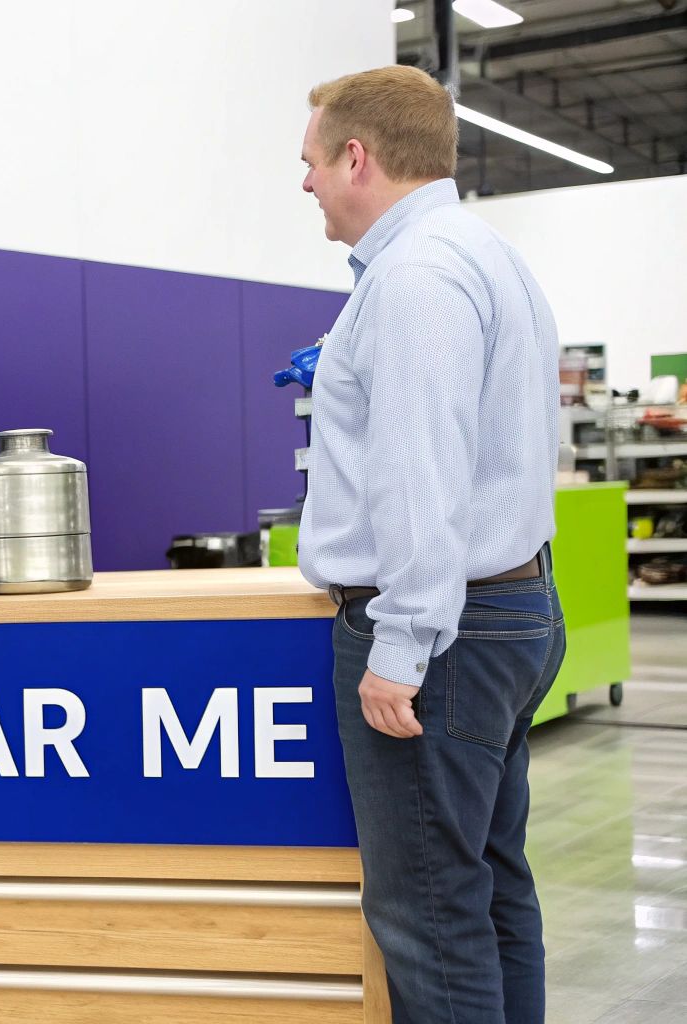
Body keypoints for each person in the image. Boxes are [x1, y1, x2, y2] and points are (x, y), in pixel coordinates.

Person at [296, 66, 564, 1022]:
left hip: (441, 637)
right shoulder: (482, 254)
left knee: (428, 913)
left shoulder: (413, 280)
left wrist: (401, 646)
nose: (308, 184)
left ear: (356, 157)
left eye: (313, 162)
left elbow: (423, 482)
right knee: (490, 888)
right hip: (514, 605)